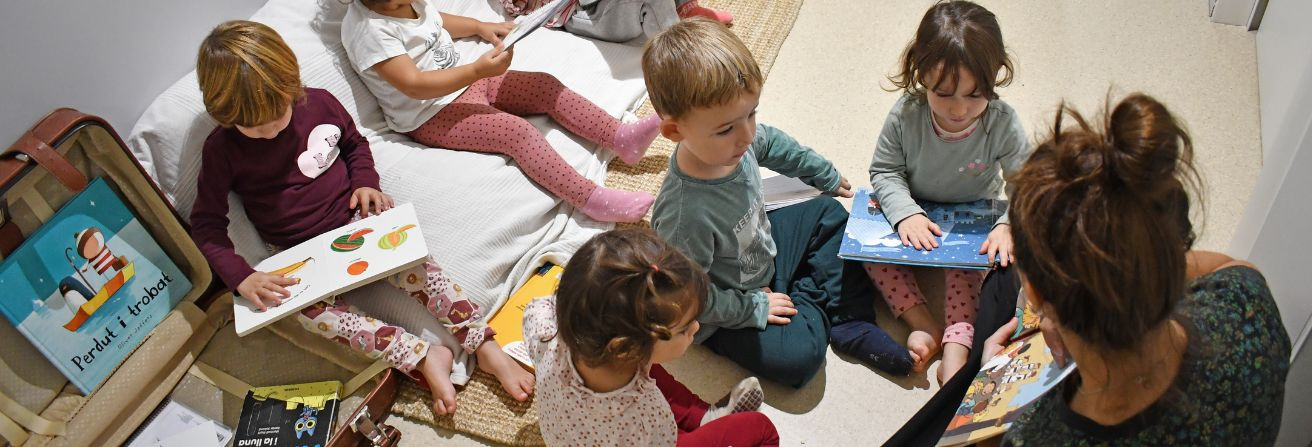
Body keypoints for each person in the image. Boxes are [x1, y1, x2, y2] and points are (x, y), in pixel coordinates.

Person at [189, 21, 533, 416]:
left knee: (419, 265)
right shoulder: (221, 150)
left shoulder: (316, 103)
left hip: (355, 218)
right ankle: (421, 356)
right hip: (298, 252)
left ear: (291, 85)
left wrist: (366, 183)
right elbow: (207, 226)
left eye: (278, 114)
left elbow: (354, 144)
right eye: (252, 126)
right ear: (223, 115)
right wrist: (242, 275)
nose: (268, 132)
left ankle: (482, 343)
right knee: (311, 317)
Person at [991, 93, 1290, 445]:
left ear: (1037, 295)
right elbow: (1234, 266)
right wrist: (1138, 270)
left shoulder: (1034, 437)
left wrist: (994, 388)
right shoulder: (1247, 312)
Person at [646, 18, 913, 387]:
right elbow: (689, 297)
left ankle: (851, 320)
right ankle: (810, 298)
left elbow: (775, 144)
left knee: (830, 214)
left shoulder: (740, 139)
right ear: (676, 131)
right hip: (727, 307)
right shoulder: (684, 214)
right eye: (726, 129)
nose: (747, 135)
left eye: (751, 114)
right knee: (798, 361)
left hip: (765, 255)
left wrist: (825, 175)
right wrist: (752, 309)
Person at [341, 0, 659, 223]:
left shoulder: (401, 2)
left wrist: (479, 26)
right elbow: (415, 85)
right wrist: (476, 71)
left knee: (544, 85)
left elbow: (432, 19)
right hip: (429, 114)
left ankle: (621, 137)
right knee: (516, 133)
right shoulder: (370, 32)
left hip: (466, 82)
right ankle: (590, 199)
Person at [866, 0, 1031, 383]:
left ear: (994, 78)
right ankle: (921, 322)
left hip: (972, 214)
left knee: (975, 267)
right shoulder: (906, 114)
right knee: (869, 252)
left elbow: (1027, 183)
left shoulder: (1002, 122)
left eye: (975, 95)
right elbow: (885, 171)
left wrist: (1008, 224)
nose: (959, 109)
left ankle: (957, 348)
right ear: (921, 73)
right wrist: (906, 212)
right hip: (915, 206)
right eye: (944, 94)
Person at [525, 228, 779, 446]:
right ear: (627, 349)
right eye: (684, 328)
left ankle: (702, 417)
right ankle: (701, 419)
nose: (696, 328)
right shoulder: (644, 415)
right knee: (761, 429)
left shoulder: (547, 330)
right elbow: (664, 438)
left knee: (651, 366)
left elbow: (536, 307)